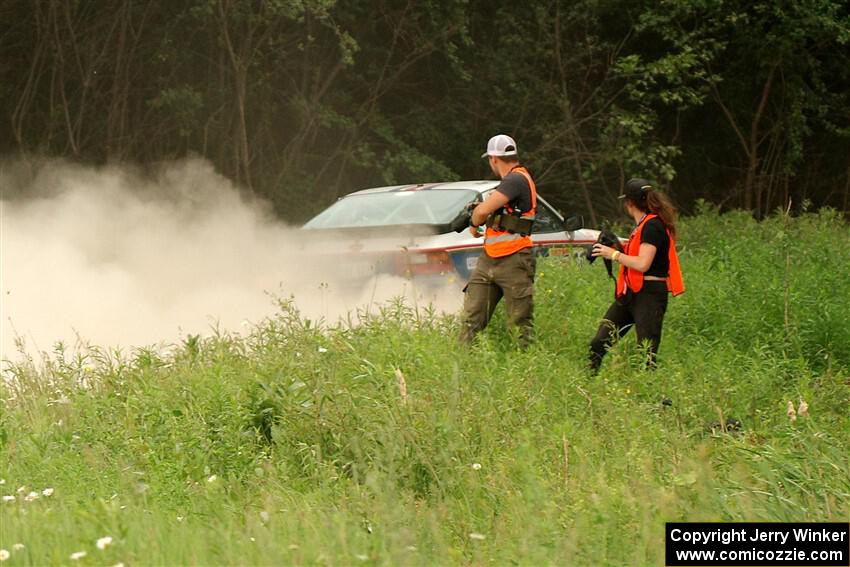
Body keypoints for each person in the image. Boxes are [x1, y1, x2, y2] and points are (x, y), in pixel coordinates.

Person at [588, 178, 685, 372]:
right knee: (599, 342)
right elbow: (637, 256)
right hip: (631, 294)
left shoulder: (652, 226)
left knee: (646, 354)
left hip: (649, 296)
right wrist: (616, 246)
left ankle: (649, 395)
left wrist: (613, 254)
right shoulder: (642, 226)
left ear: (629, 203)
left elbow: (642, 263)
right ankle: (588, 382)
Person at [459, 134, 538, 346]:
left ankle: (525, 372)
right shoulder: (511, 182)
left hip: (515, 260)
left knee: (519, 325)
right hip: (490, 260)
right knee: (471, 320)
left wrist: (474, 223)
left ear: (493, 158)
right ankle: (464, 365)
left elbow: (483, 211)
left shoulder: (515, 179)